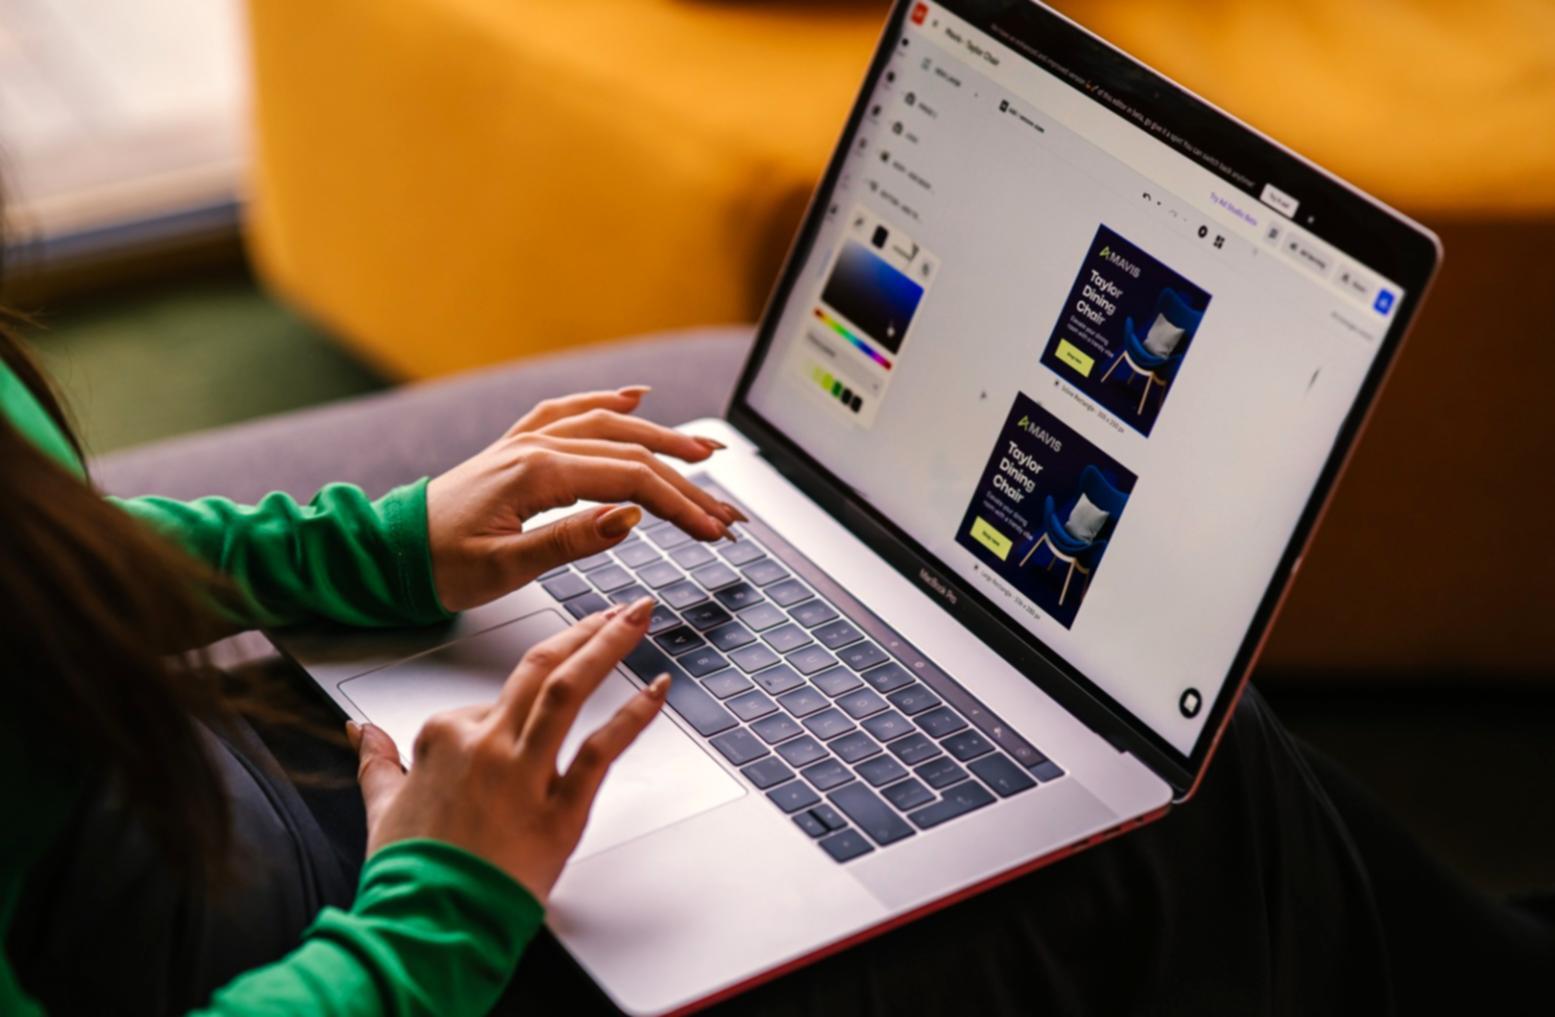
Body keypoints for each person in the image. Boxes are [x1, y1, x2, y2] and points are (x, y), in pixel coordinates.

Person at [4, 211, 1552, 1017]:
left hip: (217, 814)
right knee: (1188, 808)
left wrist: (377, 542)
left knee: (1131, 753)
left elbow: (39, 551)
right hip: (345, 955)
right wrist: (445, 901)